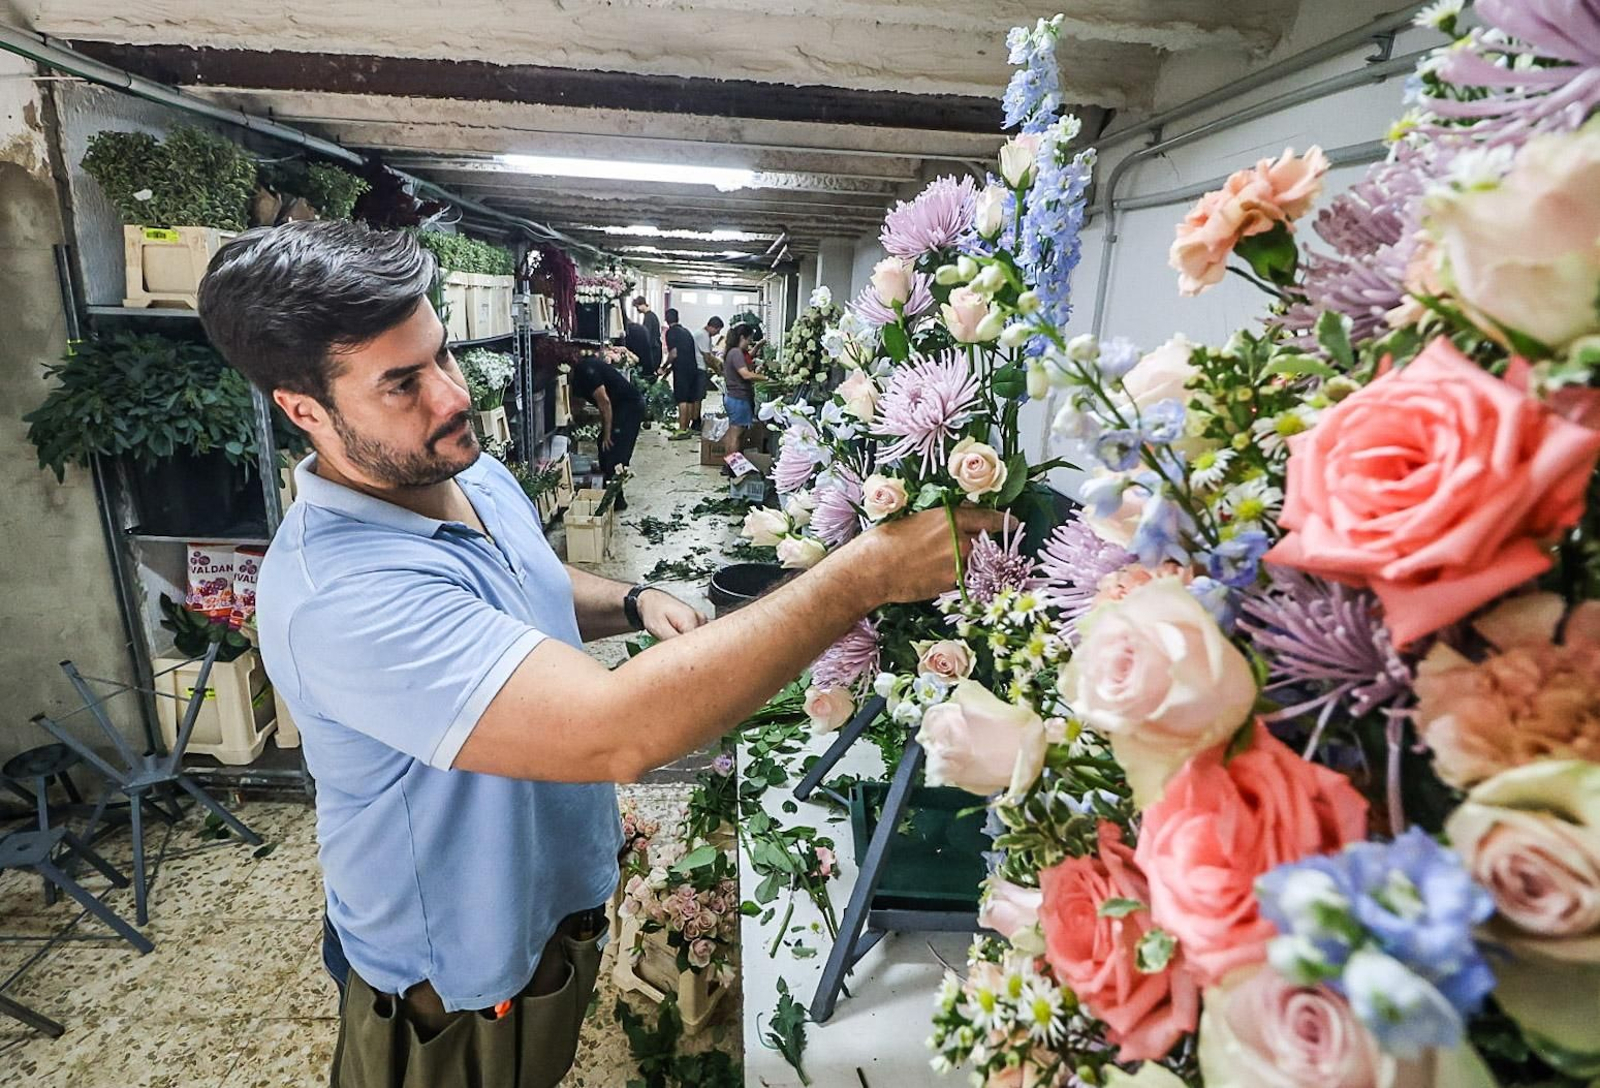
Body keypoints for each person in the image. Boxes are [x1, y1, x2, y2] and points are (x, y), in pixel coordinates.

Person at [195, 220, 1004, 1088]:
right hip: (459, 979)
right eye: (402, 384)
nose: (450, 397)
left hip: (545, 909)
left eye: (442, 357)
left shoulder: (462, 473)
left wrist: (630, 598)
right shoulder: (344, 596)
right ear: (303, 409)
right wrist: (862, 577)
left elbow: (524, 583)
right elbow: (619, 730)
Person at [569, 352, 644, 510]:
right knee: (604, 448)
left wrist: (607, 434)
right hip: (620, 407)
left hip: (629, 407)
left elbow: (605, 403)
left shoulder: (586, 372)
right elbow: (578, 403)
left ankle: (617, 499)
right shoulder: (581, 373)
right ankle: (609, 492)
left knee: (612, 450)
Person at [721, 323, 763, 462]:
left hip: (733, 397)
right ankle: (732, 466)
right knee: (737, 435)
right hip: (739, 398)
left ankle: (728, 465)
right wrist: (765, 378)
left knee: (733, 432)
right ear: (742, 337)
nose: (749, 343)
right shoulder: (736, 352)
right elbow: (745, 374)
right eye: (749, 340)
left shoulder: (731, 351)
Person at [662, 308, 701, 438]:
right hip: (693, 368)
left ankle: (682, 429)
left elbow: (674, 354)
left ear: (667, 320)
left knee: (682, 399)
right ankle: (687, 428)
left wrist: (664, 366)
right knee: (690, 399)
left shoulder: (671, 333)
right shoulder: (686, 331)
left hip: (682, 370)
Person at [693, 316, 724, 427]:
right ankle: (696, 421)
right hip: (699, 368)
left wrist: (719, 362)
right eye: (717, 330)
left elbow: (710, 355)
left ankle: (696, 419)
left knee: (698, 396)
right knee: (698, 396)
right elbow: (707, 357)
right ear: (712, 327)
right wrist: (718, 371)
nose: (717, 333)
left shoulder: (703, 335)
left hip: (699, 367)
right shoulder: (703, 335)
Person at [632, 296, 663, 379]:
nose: (637, 310)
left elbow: (646, 336)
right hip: (656, 350)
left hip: (653, 351)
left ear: (642, 305)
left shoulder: (649, 318)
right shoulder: (652, 316)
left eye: (637, 307)